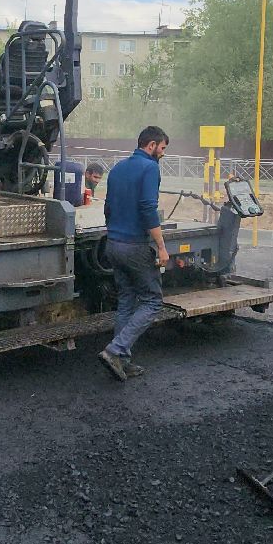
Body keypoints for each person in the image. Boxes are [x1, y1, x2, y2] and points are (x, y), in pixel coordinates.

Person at [98, 126, 169, 381]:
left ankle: (121, 361)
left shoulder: (117, 169)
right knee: (152, 301)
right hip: (134, 246)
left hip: (113, 243)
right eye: (162, 148)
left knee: (127, 300)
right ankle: (116, 350)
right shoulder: (150, 168)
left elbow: (107, 207)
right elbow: (148, 207)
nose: (162, 154)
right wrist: (161, 246)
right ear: (151, 145)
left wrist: (115, 231)